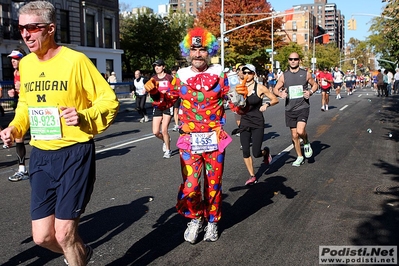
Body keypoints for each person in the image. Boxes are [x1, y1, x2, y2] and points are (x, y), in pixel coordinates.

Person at [0, 1, 119, 265]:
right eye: (21, 28)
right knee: (43, 237)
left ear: (51, 28)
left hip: (74, 153)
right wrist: (15, 128)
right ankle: (82, 253)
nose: (26, 34)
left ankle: (74, 250)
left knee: (65, 233)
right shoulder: (27, 65)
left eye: (33, 27)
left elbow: (108, 100)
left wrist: (83, 115)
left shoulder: (75, 61)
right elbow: (26, 105)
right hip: (41, 155)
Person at [145, 27, 231, 243]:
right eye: (194, 49)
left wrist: (242, 98)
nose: (198, 54)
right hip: (189, 140)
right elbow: (166, 103)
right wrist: (154, 92)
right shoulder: (180, 77)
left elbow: (234, 102)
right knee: (191, 184)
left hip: (214, 139)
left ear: (209, 51)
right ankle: (195, 219)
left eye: (202, 49)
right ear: (188, 52)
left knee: (214, 184)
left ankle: (212, 221)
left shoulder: (220, 74)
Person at [234, 64, 279, 185]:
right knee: (245, 151)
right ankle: (252, 175)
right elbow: (234, 102)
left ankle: (265, 153)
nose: (246, 75)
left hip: (257, 122)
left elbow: (275, 99)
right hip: (245, 122)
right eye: (244, 73)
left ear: (254, 74)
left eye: (249, 73)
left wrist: (267, 105)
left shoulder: (259, 87)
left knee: (256, 152)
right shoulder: (239, 87)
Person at [273, 52, 318, 166]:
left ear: (299, 61)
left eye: (295, 59)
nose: (293, 61)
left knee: (300, 131)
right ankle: (299, 156)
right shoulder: (284, 75)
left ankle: (306, 142)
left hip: (303, 106)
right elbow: (275, 89)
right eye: (290, 59)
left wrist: (310, 92)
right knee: (294, 135)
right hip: (290, 108)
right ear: (288, 60)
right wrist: (280, 94)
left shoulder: (305, 74)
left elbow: (315, 85)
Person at [7, 48, 30, 182]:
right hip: (23, 107)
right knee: (19, 137)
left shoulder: (30, 70)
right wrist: (13, 92)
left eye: (16, 58)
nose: (13, 61)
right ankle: (22, 169)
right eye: (12, 58)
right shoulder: (16, 73)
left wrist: (23, 86)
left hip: (35, 107)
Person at [146, 59, 174, 159]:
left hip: (167, 106)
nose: (156, 68)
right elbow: (150, 92)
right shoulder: (153, 79)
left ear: (163, 67)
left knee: (164, 130)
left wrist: (169, 94)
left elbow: (175, 90)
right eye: (155, 66)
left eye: (158, 65)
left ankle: (168, 150)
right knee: (155, 132)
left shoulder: (169, 78)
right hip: (157, 106)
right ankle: (165, 140)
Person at [170, 65, 181, 131]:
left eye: (175, 73)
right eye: (172, 73)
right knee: (175, 110)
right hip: (176, 96)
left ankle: (184, 123)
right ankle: (177, 125)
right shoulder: (172, 79)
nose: (173, 75)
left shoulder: (182, 77)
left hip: (182, 96)